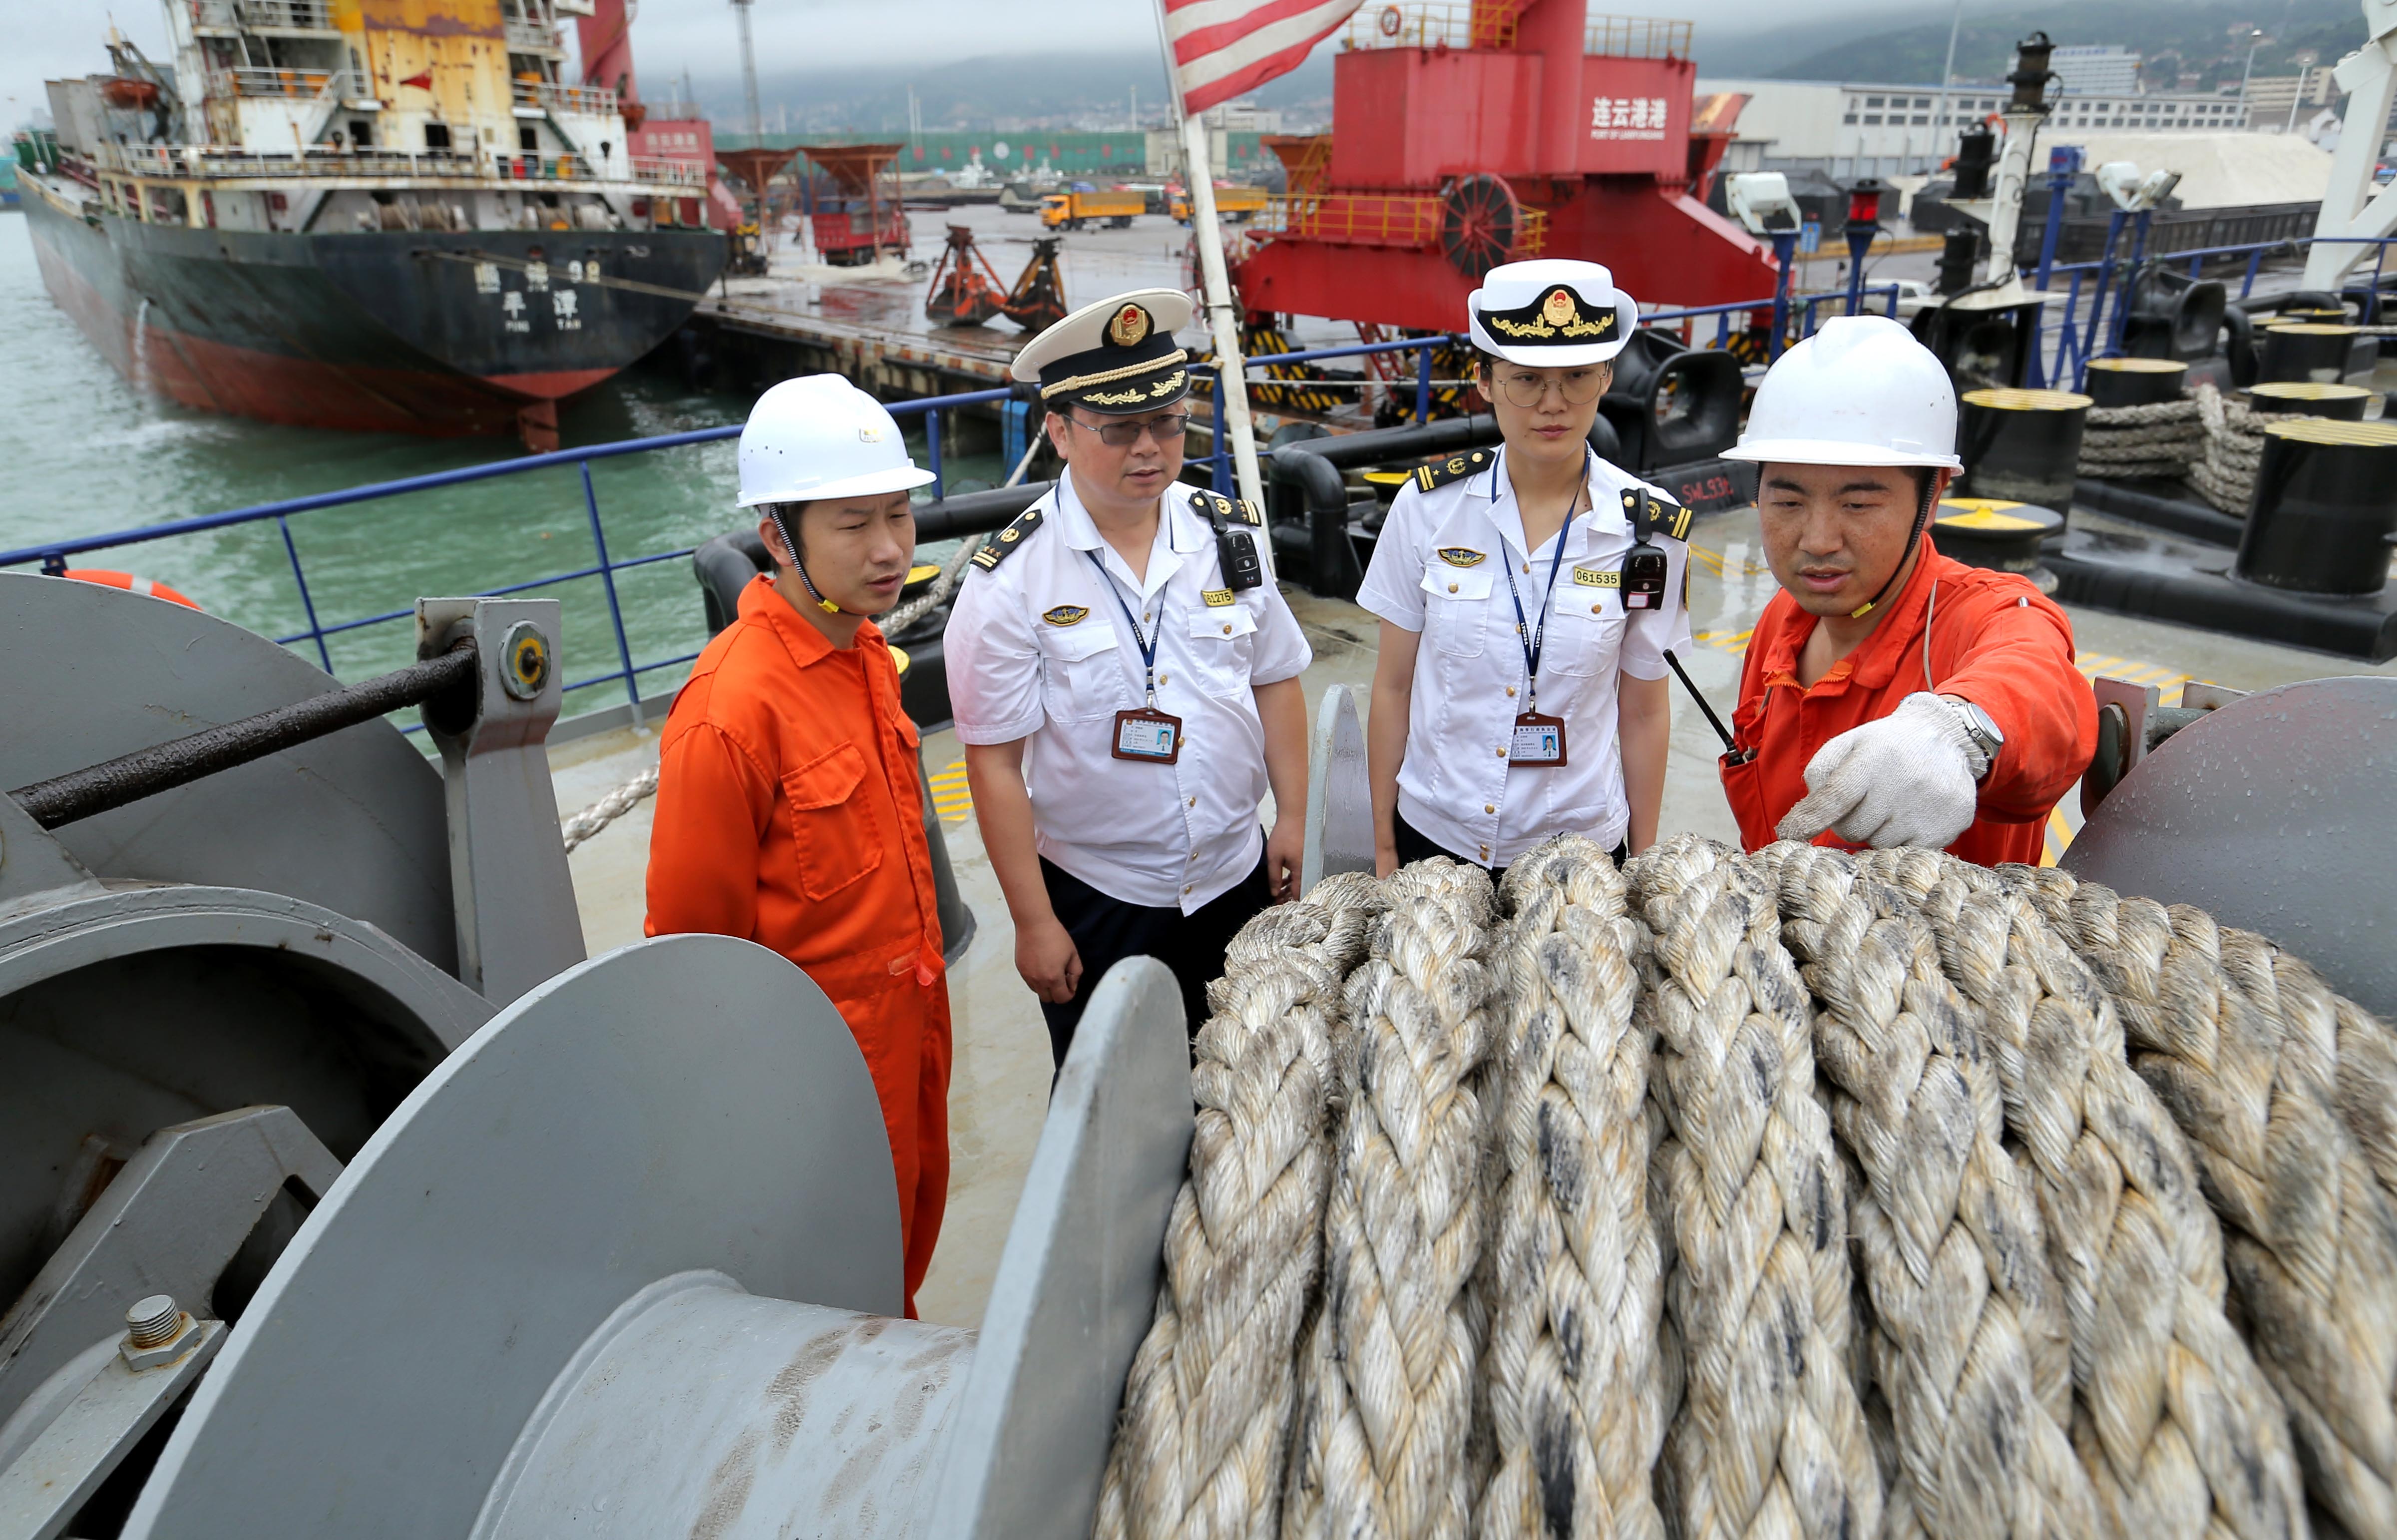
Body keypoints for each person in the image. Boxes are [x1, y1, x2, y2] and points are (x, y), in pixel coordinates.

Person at [644, 374, 952, 1316]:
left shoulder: (862, 654)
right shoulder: (730, 713)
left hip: (912, 1030)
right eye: (854, 523)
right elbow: (693, 954)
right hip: (822, 1076)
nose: (892, 548)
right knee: (841, 1289)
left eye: (899, 514)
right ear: (778, 537)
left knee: (901, 1253)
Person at [944, 288, 1312, 1066]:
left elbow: (1275, 680)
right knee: (1112, 1113)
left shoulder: (1227, 537)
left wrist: (1293, 818)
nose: (1149, 447)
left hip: (1234, 876)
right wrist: (1034, 921)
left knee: (1253, 1084)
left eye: (1167, 422)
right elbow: (995, 764)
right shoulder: (1010, 582)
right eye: (1119, 428)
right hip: (1101, 897)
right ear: (1060, 431)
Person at [1717, 315, 2096, 862]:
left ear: (1933, 495)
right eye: (1788, 502)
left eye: (1859, 504)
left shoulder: (1983, 616)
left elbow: (2042, 686)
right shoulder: (1783, 621)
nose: (1819, 541)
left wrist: (1962, 731)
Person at [1355, 259, 1690, 877]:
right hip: (1436, 836)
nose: (1552, 405)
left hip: (1579, 851)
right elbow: (1394, 685)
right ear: (1483, 380)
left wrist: (1642, 865)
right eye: (1527, 379)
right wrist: (1382, 844)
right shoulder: (1428, 510)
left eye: (1578, 378)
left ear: (1608, 375)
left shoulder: (1652, 531)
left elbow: (1644, 709)